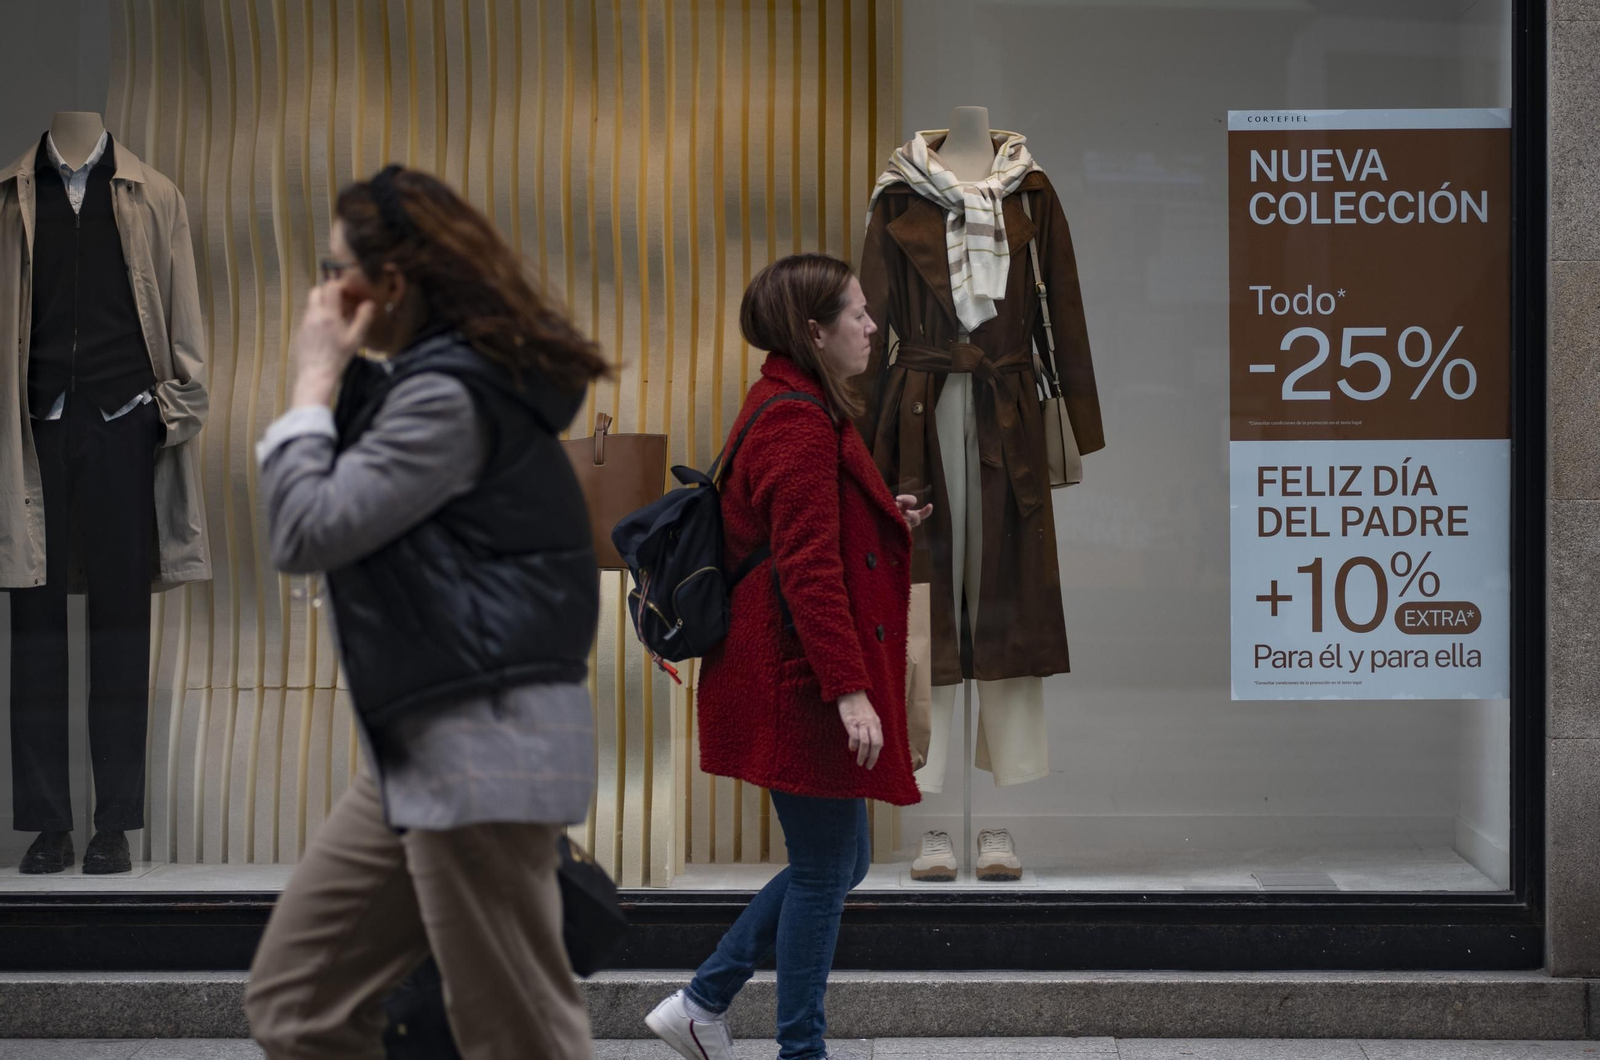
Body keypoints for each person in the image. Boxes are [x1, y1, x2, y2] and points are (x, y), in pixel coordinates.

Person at [242, 164, 607, 1060]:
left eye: (337, 271)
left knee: (520, 1036)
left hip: (481, 749)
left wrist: (315, 378)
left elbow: (303, 528)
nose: (325, 293)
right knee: (298, 1003)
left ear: (391, 284)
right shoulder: (429, 386)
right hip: (421, 749)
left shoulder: (451, 398)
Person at [646, 254, 931, 1060]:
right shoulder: (798, 420)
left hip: (784, 668)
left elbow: (805, 536)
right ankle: (798, 1049)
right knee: (823, 870)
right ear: (814, 330)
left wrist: (881, 518)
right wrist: (848, 692)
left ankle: (702, 1001)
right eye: (857, 314)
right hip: (795, 679)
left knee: (844, 859)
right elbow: (806, 570)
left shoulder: (791, 402)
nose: (872, 326)